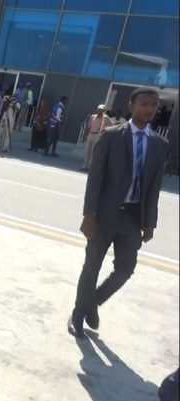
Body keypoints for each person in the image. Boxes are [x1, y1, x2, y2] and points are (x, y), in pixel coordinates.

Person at [69, 87, 169, 339]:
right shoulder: (112, 136)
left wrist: (150, 223)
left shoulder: (159, 145)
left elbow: (154, 188)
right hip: (104, 215)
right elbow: (95, 178)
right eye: (144, 103)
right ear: (132, 106)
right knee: (92, 266)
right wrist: (89, 214)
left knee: (125, 269)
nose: (149, 109)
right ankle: (78, 314)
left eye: (154, 105)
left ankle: (92, 303)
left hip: (133, 219)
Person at [81, 104, 111, 172]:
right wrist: (85, 135)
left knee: (93, 152)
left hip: (98, 135)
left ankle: (90, 167)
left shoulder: (105, 118)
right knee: (87, 151)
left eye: (101, 110)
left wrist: (105, 130)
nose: (99, 111)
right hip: (91, 134)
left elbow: (111, 125)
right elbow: (88, 126)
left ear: (103, 111)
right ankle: (85, 166)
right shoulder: (93, 116)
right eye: (98, 109)